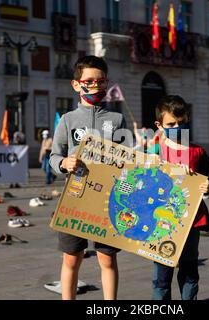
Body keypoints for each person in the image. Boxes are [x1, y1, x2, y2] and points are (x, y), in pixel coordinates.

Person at [49, 55, 126, 300]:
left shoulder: (117, 119)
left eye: (100, 81)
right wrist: (63, 163)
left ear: (107, 84)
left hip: (108, 200)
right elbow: (53, 156)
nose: (95, 86)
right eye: (89, 81)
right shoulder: (67, 120)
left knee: (107, 257)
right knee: (72, 258)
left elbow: (128, 160)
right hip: (74, 198)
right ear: (76, 84)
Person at [146, 95, 209, 300]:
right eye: (171, 123)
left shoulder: (198, 152)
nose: (177, 126)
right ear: (159, 125)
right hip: (161, 221)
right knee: (162, 275)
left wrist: (208, 187)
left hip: (191, 220)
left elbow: (207, 182)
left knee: (190, 269)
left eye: (182, 122)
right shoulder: (154, 152)